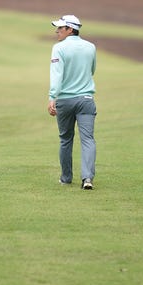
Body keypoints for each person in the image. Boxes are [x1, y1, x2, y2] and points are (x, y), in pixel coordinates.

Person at [48, 15, 97, 190]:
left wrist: (52, 97)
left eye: (60, 28)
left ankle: (66, 178)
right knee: (88, 139)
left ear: (70, 29)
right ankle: (87, 178)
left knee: (65, 139)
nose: (57, 31)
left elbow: (56, 74)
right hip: (86, 99)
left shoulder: (58, 48)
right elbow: (92, 70)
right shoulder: (90, 47)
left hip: (65, 100)